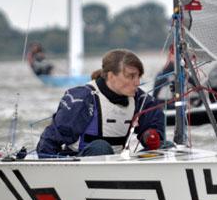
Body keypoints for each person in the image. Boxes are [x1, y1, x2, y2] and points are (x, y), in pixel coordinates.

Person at [37, 49, 165, 157]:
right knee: (101, 147)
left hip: (117, 166)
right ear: (111, 76)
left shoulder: (140, 99)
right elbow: (48, 145)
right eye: (131, 76)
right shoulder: (82, 100)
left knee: (166, 147)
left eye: (139, 76)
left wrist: (150, 136)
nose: (137, 82)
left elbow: (156, 126)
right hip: (79, 166)